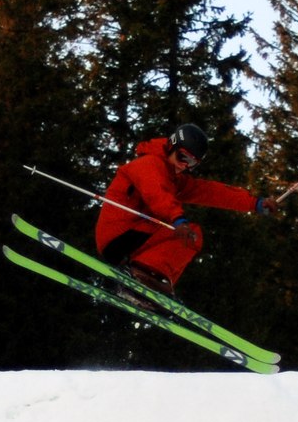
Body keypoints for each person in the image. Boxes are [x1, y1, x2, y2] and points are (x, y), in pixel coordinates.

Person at [95, 123, 279, 294]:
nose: (184, 165)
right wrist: (177, 219)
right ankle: (141, 275)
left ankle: (152, 281)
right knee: (187, 234)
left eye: (191, 163)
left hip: (136, 237)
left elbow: (210, 192)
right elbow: (158, 194)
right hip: (117, 234)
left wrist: (255, 203)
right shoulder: (149, 164)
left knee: (193, 236)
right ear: (171, 146)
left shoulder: (175, 179)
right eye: (182, 157)